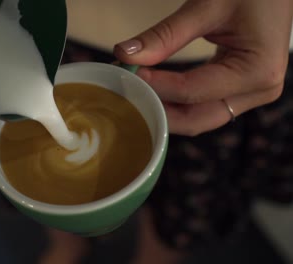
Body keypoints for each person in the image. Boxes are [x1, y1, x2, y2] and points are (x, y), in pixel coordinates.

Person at [40, 0, 293, 263]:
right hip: (53, 21)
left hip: (212, 42)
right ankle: (68, 246)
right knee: (46, 180)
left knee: (182, 195)